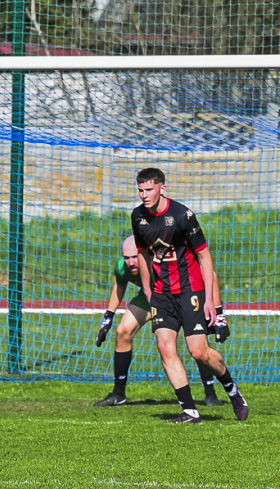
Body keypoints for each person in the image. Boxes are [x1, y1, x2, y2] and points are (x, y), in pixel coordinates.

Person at [130, 167, 248, 423]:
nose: (144, 195)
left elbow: (205, 257)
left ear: (163, 188)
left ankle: (232, 389)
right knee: (165, 347)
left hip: (190, 290)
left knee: (199, 352)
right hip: (161, 293)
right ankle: (190, 411)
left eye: (149, 189)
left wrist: (211, 303)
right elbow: (142, 253)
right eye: (140, 190)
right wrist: (148, 288)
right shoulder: (138, 216)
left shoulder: (183, 215)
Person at [94, 235, 230, 407]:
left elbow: (211, 275)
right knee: (123, 331)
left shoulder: (166, 260)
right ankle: (118, 394)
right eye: (126, 257)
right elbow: (120, 285)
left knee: (197, 344)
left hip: (180, 295)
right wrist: (108, 318)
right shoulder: (123, 267)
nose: (130, 262)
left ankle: (210, 393)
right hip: (150, 297)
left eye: (135, 256)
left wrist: (219, 315)